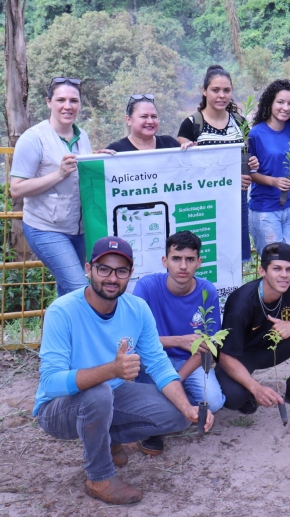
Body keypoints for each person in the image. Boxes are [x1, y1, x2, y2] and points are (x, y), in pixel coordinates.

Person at [33, 237, 210, 505]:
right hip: (57, 408)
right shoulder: (62, 311)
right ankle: (99, 477)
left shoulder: (137, 309)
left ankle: (105, 438)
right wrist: (111, 370)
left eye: (121, 271)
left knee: (177, 414)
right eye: (104, 269)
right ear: (88, 269)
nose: (112, 278)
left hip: (110, 395)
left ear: (130, 275)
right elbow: (51, 383)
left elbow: (160, 365)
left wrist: (188, 408)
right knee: (98, 392)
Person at [133, 231, 225, 455]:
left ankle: (170, 401)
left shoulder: (207, 291)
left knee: (213, 402)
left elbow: (208, 349)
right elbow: (134, 341)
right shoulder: (146, 287)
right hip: (154, 360)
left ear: (199, 263)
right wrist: (178, 341)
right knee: (136, 395)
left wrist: (175, 381)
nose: (183, 266)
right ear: (165, 261)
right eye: (176, 258)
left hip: (188, 363)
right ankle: (150, 428)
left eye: (190, 259)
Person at [216, 243, 290, 414]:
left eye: (289, 269)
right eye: (277, 269)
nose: (284, 275)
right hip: (242, 356)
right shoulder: (241, 303)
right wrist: (256, 388)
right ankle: (248, 394)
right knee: (234, 398)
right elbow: (225, 357)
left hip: (272, 347)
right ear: (262, 271)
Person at [10, 77, 94, 296]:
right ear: (49, 102)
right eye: (61, 100)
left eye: (74, 101)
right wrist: (59, 173)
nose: (68, 106)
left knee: (67, 294)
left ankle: (57, 331)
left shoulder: (82, 136)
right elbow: (16, 189)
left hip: (80, 230)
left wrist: (99, 161)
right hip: (46, 228)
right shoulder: (33, 139)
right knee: (80, 289)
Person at [177, 65, 258, 261]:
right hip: (204, 202)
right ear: (204, 91)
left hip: (236, 202)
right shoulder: (191, 124)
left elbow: (245, 158)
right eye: (215, 90)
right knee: (205, 256)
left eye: (226, 90)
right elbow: (185, 170)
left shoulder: (240, 122)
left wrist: (252, 164)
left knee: (235, 258)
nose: (221, 95)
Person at [247, 79, 290, 271]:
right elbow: (249, 173)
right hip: (265, 211)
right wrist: (273, 181)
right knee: (274, 268)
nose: (285, 108)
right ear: (270, 103)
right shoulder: (255, 134)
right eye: (280, 102)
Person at [106, 94, 183, 152]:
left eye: (154, 116)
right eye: (144, 116)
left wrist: (190, 151)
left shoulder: (169, 143)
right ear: (128, 119)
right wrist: (99, 160)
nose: (150, 121)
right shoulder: (115, 150)